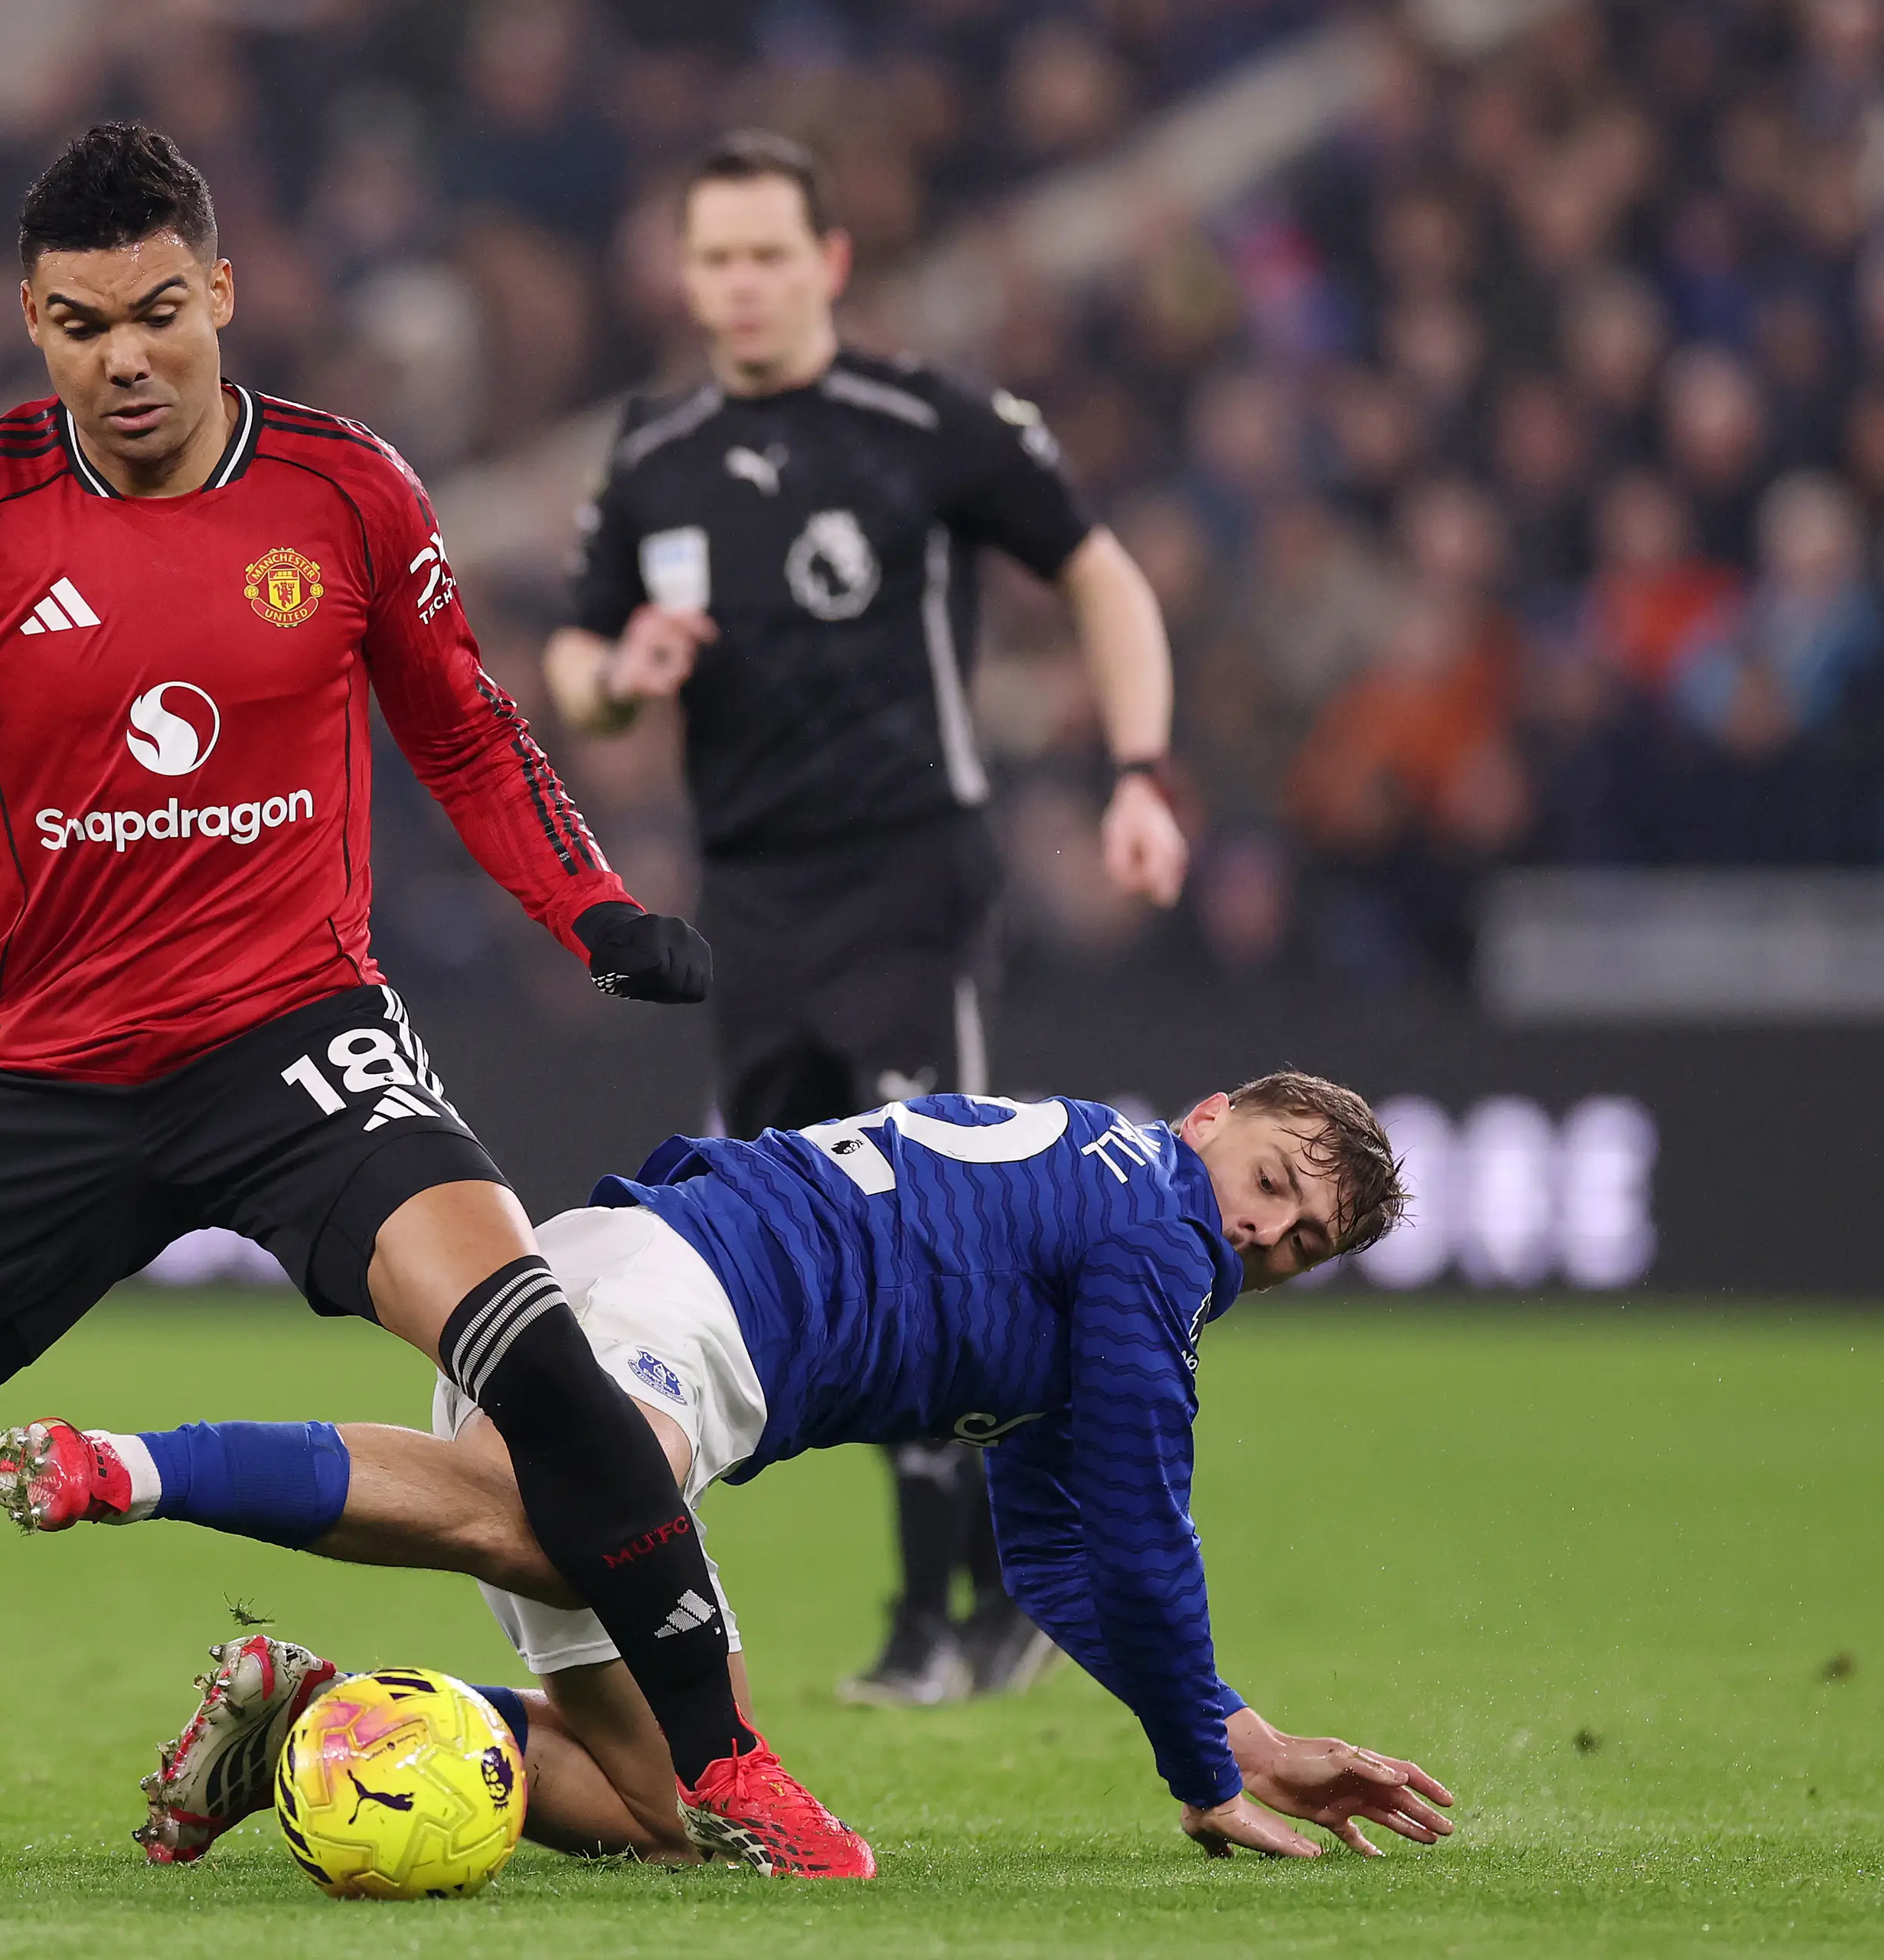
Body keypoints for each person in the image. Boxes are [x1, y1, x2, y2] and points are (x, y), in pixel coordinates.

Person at [0, 123, 856, 1875]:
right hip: (52, 1077)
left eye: (154, 312)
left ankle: (732, 1768)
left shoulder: (347, 490)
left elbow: (463, 724)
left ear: (219, 292)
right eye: (77, 325)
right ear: (32, 322)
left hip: (297, 1032)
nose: (122, 358)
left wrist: (588, 909)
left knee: (532, 1347)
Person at [0, 1073, 1451, 1872]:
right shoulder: (1155, 1232)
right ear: (1210, 1120)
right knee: (542, 1521)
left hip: (635, 1290)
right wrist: (1202, 1777)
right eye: (1272, 1186)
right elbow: (1142, 1537)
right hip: (671, 1309)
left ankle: (317, 1714)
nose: (1263, 1237)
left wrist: (1243, 1737)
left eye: (1302, 1246)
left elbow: (1061, 1558)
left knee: (662, 1811)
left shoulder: (1100, 1209)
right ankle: (131, 1466)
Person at [537, 132, 1193, 1708]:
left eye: (770, 253)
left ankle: (969, 1600)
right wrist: (625, 670)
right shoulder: (656, 450)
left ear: (829, 263)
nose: (742, 284)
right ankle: (939, 1606)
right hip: (750, 898)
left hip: (910, 876)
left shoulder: (928, 422)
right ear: (684, 277)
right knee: (794, 1242)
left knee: (930, 1221)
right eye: (715, 259)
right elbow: (566, 665)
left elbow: (1101, 574)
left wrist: (1141, 767)